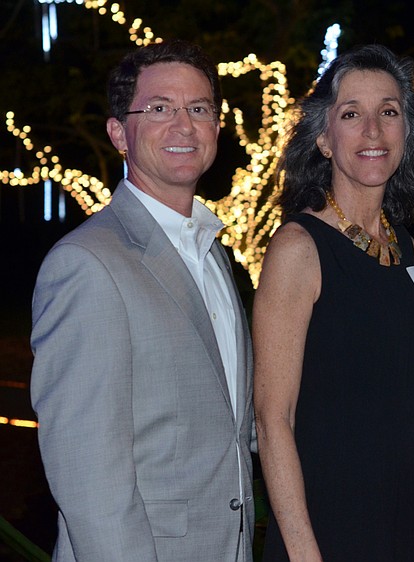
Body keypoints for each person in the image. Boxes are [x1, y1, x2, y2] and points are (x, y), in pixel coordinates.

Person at [29, 40, 255, 561]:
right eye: (159, 109)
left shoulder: (212, 253)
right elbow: (89, 476)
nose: (184, 125)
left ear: (217, 127)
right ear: (118, 134)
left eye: (198, 109)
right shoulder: (87, 264)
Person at [252, 44, 414, 561]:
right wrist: (306, 553)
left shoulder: (411, 249)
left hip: (408, 524)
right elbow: (273, 419)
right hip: (329, 528)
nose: (372, 131)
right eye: (351, 114)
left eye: (389, 112)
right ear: (324, 138)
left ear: (405, 133)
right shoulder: (298, 248)